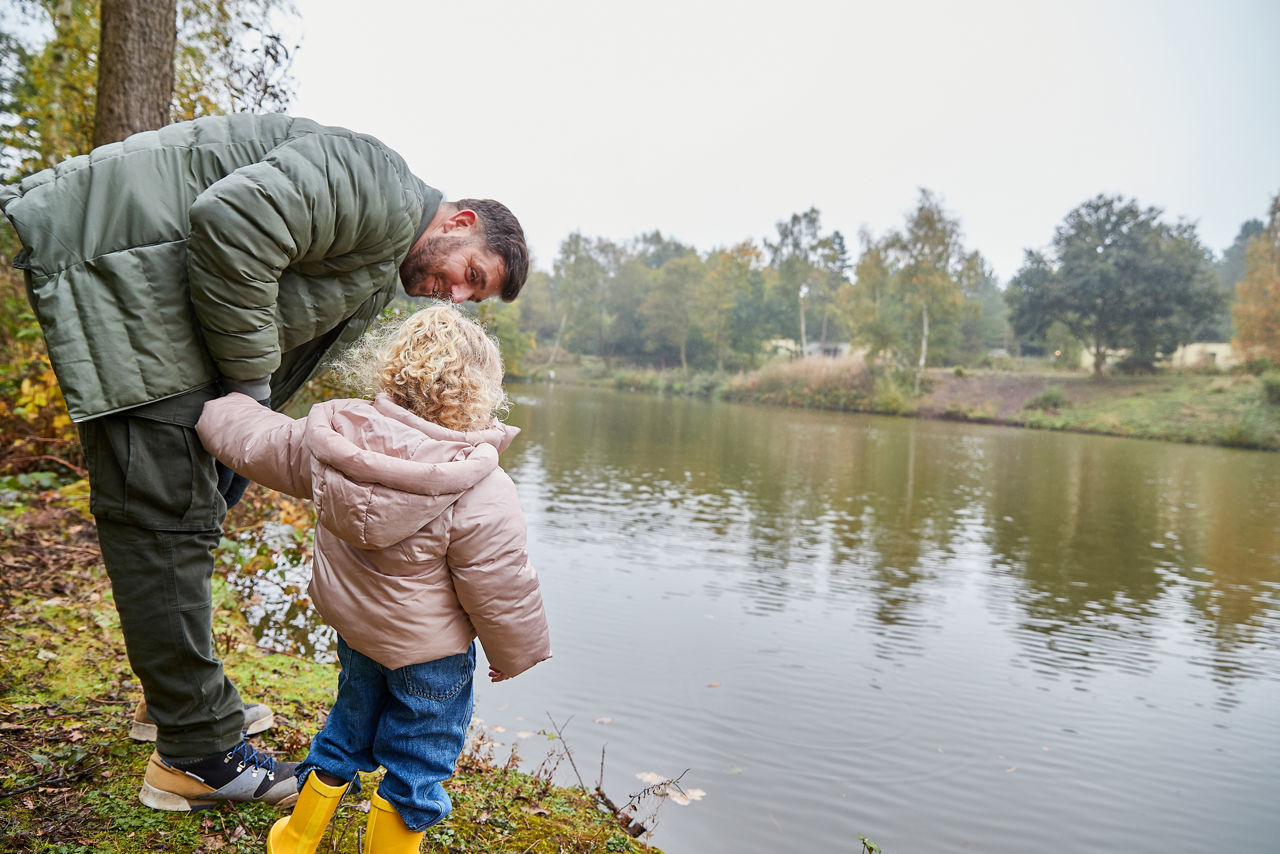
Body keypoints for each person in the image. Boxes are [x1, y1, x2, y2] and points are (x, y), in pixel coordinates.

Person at [0, 114, 530, 810]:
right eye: (470, 276)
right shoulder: (379, 185)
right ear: (460, 223)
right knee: (167, 520)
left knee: (209, 494)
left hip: (157, 311)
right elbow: (232, 220)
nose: (454, 297)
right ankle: (197, 753)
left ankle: (174, 702)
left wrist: (244, 432)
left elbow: (284, 322)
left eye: (471, 297)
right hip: (130, 289)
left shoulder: (387, 251)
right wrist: (249, 396)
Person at [195, 304, 551, 852]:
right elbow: (501, 585)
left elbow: (257, 441)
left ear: (392, 369)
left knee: (346, 729)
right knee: (418, 760)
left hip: (359, 636)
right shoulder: (480, 484)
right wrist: (515, 654)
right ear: (480, 391)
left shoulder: (336, 441)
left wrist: (214, 404)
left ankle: (296, 838)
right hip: (432, 657)